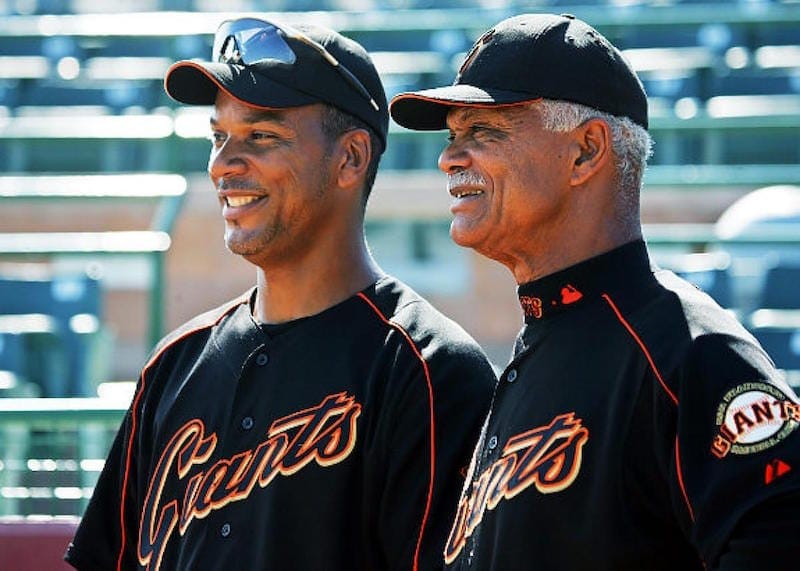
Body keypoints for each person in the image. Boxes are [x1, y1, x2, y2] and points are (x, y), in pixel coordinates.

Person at [65, 17, 496, 571]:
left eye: (261, 136)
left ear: (350, 158)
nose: (223, 163)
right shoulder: (174, 363)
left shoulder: (430, 369)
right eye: (219, 136)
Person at [389, 12, 800, 571]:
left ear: (586, 150)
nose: (449, 157)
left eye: (483, 131)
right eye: (453, 134)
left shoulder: (691, 352)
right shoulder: (542, 342)